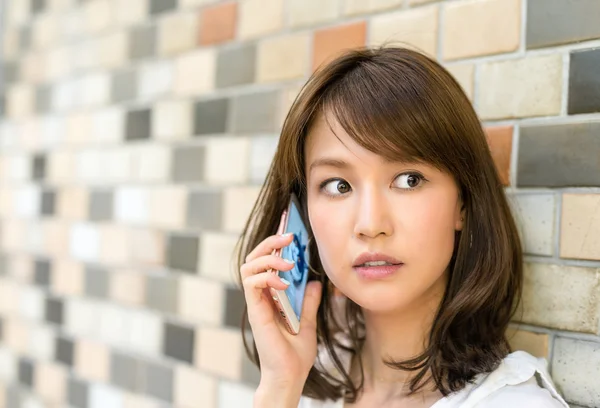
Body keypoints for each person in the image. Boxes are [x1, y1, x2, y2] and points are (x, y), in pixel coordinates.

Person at [235, 47, 569, 407]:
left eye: (409, 180)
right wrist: (280, 387)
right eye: (338, 186)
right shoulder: (305, 381)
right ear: (302, 217)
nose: (370, 224)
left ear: (463, 202)